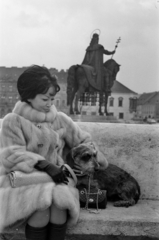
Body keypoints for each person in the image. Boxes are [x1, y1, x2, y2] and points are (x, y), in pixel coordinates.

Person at [0, 65, 108, 240]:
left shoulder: (60, 119)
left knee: (60, 204)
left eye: (52, 98)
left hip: (58, 178)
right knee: (40, 208)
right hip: (23, 181)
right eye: (45, 99)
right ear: (28, 96)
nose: (50, 104)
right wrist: (44, 164)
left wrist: (90, 161)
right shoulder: (13, 121)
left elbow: (83, 141)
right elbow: (11, 155)